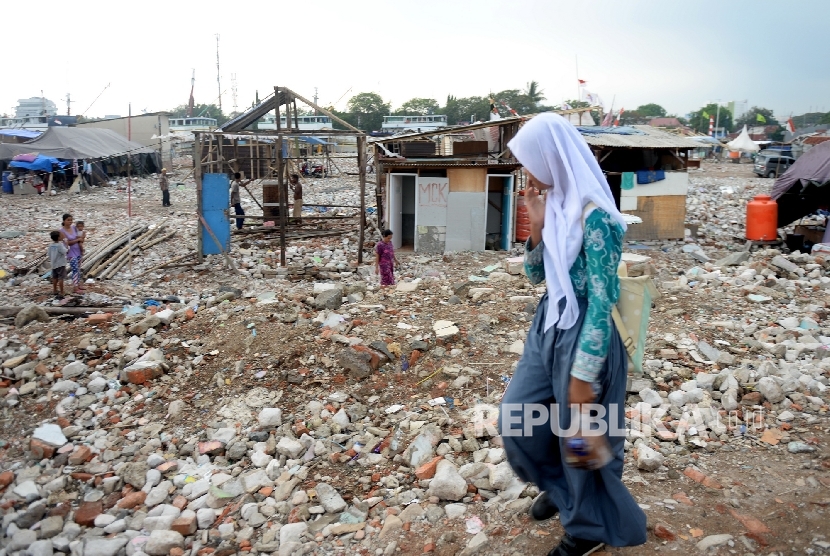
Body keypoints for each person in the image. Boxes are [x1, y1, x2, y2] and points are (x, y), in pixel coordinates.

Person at [497, 113, 646, 556]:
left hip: (586, 333)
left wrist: (584, 375)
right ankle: (564, 491)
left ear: (551, 156)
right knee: (517, 418)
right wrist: (537, 226)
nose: (526, 173)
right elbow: (532, 275)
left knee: (580, 438)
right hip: (549, 323)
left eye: (529, 161)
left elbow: (602, 300)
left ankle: (587, 530)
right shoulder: (555, 204)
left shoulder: (596, 217)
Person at [59, 213, 84, 293]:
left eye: (71, 220)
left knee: (78, 268)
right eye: (68, 220)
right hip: (70, 252)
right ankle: (75, 287)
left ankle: (78, 284)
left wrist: (81, 239)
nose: (70, 222)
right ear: (64, 221)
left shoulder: (74, 228)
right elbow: (67, 242)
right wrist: (77, 240)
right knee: (75, 269)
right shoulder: (61, 231)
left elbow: (81, 235)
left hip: (78, 251)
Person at [48, 231, 67, 299]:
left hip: (53, 264)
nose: (62, 236)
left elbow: (49, 254)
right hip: (60, 264)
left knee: (55, 277)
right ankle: (62, 291)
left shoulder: (51, 245)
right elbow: (65, 251)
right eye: (61, 235)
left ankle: (55, 290)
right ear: (58, 237)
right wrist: (66, 245)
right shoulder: (60, 245)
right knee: (61, 277)